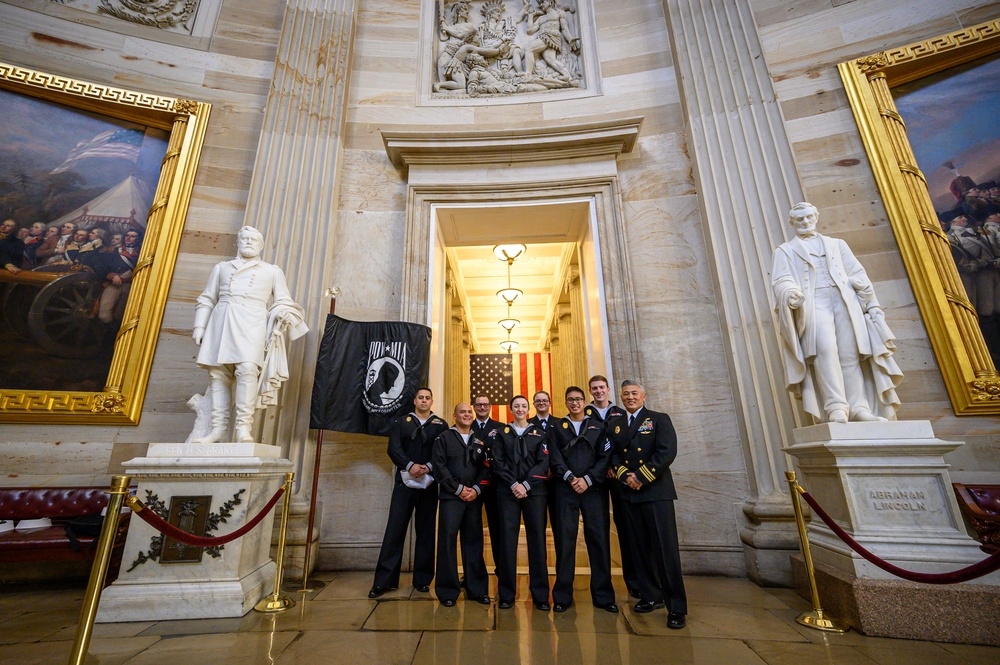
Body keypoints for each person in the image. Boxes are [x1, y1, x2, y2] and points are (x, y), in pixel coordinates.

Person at [771, 202, 902, 423]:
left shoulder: (837, 245)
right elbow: (781, 279)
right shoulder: (785, 251)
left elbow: (856, 271)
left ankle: (858, 408)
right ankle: (836, 407)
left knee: (849, 353)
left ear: (816, 217)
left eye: (809, 217)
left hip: (845, 300)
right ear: (791, 222)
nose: (805, 222)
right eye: (800, 219)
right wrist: (790, 292)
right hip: (813, 303)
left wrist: (869, 300)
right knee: (825, 350)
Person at [192, 226, 307, 443]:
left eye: (253, 239)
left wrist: (283, 313)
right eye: (244, 239)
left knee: (247, 370)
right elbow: (207, 298)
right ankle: (218, 429)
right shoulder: (222, 268)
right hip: (221, 321)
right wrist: (200, 327)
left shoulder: (272, 271)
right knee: (218, 374)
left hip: (252, 323)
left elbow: (283, 299)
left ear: (261, 245)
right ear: (237, 242)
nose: (248, 242)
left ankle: (244, 428)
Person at [608, 380, 686, 629]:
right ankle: (651, 595)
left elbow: (666, 452)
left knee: (665, 550)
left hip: (656, 493)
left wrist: (641, 476)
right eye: (625, 394)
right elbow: (615, 455)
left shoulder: (659, 419)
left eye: (634, 393)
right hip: (629, 493)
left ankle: (676, 607)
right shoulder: (616, 425)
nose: (630, 397)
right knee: (639, 549)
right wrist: (625, 476)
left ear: (643, 396)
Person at [369, 387, 450, 599]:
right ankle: (384, 581)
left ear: (432, 401)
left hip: (429, 484)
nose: (424, 401)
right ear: (415, 401)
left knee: (425, 532)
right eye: (421, 397)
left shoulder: (441, 425)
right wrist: (410, 465)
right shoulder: (400, 422)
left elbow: (444, 453)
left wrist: (429, 467)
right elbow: (393, 449)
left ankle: (422, 580)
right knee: (394, 531)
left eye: (428, 398)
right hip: (404, 484)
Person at [547, 386, 617, 614]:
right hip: (565, 490)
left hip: (593, 490)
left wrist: (587, 479)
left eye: (578, 399)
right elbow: (554, 457)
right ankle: (562, 596)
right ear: (565, 403)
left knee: (598, 541)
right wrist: (569, 477)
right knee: (565, 543)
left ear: (585, 401)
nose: (575, 403)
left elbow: (605, 456)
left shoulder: (598, 426)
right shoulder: (557, 427)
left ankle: (604, 596)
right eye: (570, 400)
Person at [487, 395, 550, 610]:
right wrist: (514, 484)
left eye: (524, 406)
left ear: (528, 408)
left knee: (537, 542)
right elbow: (498, 462)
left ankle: (541, 595)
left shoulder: (539, 433)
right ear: (511, 409)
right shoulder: (502, 434)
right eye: (517, 406)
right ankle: (506, 594)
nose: (520, 409)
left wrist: (526, 485)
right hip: (507, 492)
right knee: (507, 541)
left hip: (534, 493)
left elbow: (543, 463)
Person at [432, 402, 492, 607]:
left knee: (474, 542)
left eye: (469, 412)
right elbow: (439, 467)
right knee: (447, 543)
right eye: (462, 412)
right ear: (454, 415)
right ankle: (448, 591)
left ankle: (477, 590)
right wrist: (458, 489)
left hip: (473, 499)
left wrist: (476, 489)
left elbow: (486, 469)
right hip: (452, 498)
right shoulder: (444, 439)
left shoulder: (479, 441)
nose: (466, 415)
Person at [585, 374, 640, 599]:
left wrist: (615, 467)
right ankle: (602, 590)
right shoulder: (585, 415)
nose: (598, 391)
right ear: (590, 392)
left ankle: (635, 584)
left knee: (627, 530)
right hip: (595, 479)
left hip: (618, 478)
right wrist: (600, 468)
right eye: (594, 388)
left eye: (601, 388)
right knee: (598, 532)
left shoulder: (621, 413)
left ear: (608, 390)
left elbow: (624, 444)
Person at [471, 394, 505, 576]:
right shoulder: (467, 425)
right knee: (473, 530)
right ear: (474, 407)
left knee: (497, 528)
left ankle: (502, 569)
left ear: (490, 406)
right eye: (479, 405)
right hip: (473, 485)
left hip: (495, 484)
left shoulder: (500, 428)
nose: (482, 408)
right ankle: (474, 572)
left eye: (485, 405)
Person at [97, 229, 143, 325]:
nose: (129, 238)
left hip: (131, 286)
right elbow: (101, 266)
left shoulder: (142, 252)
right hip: (114, 284)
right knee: (104, 315)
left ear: (138, 238)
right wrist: (112, 276)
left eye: (133, 236)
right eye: (127, 235)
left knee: (121, 316)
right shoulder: (113, 251)